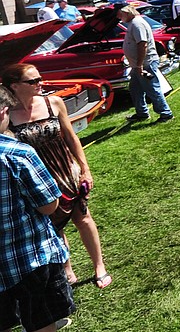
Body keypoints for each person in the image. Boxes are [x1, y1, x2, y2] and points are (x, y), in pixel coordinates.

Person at [0, 85, 92, 332]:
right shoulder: (18, 154)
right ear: (3, 112)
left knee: (2, 322)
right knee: (40, 321)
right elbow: (49, 205)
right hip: (31, 258)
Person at [3, 64, 110, 291]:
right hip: (38, 176)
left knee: (83, 217)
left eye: (40, 78)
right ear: (14, 86)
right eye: (33, 81)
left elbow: (72, 138)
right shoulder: (6, 116)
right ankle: (67, 270)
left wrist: (85, 168)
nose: (40, 83)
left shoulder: (54, 103)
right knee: (53, 225)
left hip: (66, 169)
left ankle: (99, 265)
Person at [117, 4, 173, 124]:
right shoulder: (133, 23)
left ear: (127, 13)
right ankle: (142, 113)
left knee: (152, 88)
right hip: (138, 64)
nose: (119, 17)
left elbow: (142, 44)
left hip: (145, 63)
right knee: (135, 88)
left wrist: (139, 65)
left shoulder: (137, 24)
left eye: (120, 15)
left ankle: (166, 114)